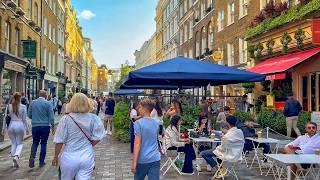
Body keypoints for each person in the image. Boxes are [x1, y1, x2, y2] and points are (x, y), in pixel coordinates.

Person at [52, 93, 105, 179]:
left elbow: (59, 141)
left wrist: (55, 157)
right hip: (86, 155)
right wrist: (88, 144)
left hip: (69, 156)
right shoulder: (93, 118)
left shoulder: (66, 119)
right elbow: (98, 136)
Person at [131, 98, 161, 180]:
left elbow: (137, 143)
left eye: (140, 107)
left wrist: (134, 162)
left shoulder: (138, 123)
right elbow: (160, 136)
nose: (138, 109)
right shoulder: (157, 122)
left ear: (144, 109)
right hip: (155, 158)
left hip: (142, 159)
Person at [28, 90, 55, 168]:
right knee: (43, 143)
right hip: (45, 126)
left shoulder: (33, 102)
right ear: (45, 95)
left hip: (35, 126)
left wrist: (35, 118)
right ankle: (41, 161)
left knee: (35, 142)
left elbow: (29, 114)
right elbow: (51, 117)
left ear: (38, 95)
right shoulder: (48, 103)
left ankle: (32, 156)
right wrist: (53, 127)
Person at [1, 93, 29, 168]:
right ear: (20, 98)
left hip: (11, 125)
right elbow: (24, 119)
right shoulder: (23, 107)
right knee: (20, 143)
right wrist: (27, 128)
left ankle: (13, 160)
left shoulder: (9, 106)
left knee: (13, 143)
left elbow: (5, 118)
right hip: (20, 125)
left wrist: (3, 128)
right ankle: (16, 157)